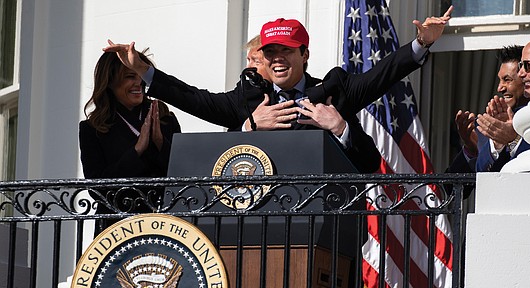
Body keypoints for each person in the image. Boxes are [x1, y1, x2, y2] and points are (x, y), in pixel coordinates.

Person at [104, 7, 453, 173]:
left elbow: (382, 75)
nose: (277, 59)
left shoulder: (335, 89)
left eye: (286, 50)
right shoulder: (249, 99)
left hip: (325, 231)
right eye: (270, 52)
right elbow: (192, 97)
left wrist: (339, 127)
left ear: (304, 54)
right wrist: (144, 71)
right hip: (260, 228)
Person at [79, 51, 181, 231]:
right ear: (110, 81)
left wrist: (160, 143)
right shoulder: (93, 129)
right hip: (117, 230)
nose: (139, 83)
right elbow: (96, 189)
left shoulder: (165, 119)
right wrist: (136, 151)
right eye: (129, 77)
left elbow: (181, 178)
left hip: (162, 226)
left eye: (141, 76)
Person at [475, 39, 530, 172]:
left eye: (507, 80)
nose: (522, 73)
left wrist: (514, 139)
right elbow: (481, 174)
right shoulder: (501, 122)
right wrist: (497, 142)